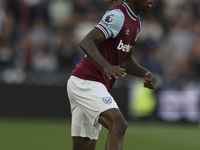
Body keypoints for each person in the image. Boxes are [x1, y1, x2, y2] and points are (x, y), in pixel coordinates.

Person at [67, 0, 156, 150]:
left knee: (85, 145)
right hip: (87, 81)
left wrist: (145, 73)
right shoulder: (118, 15)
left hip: (87, 83)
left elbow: (126, 61)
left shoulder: (136, 23)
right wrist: (106, 65)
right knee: (118, 123)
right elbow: (86, 42)